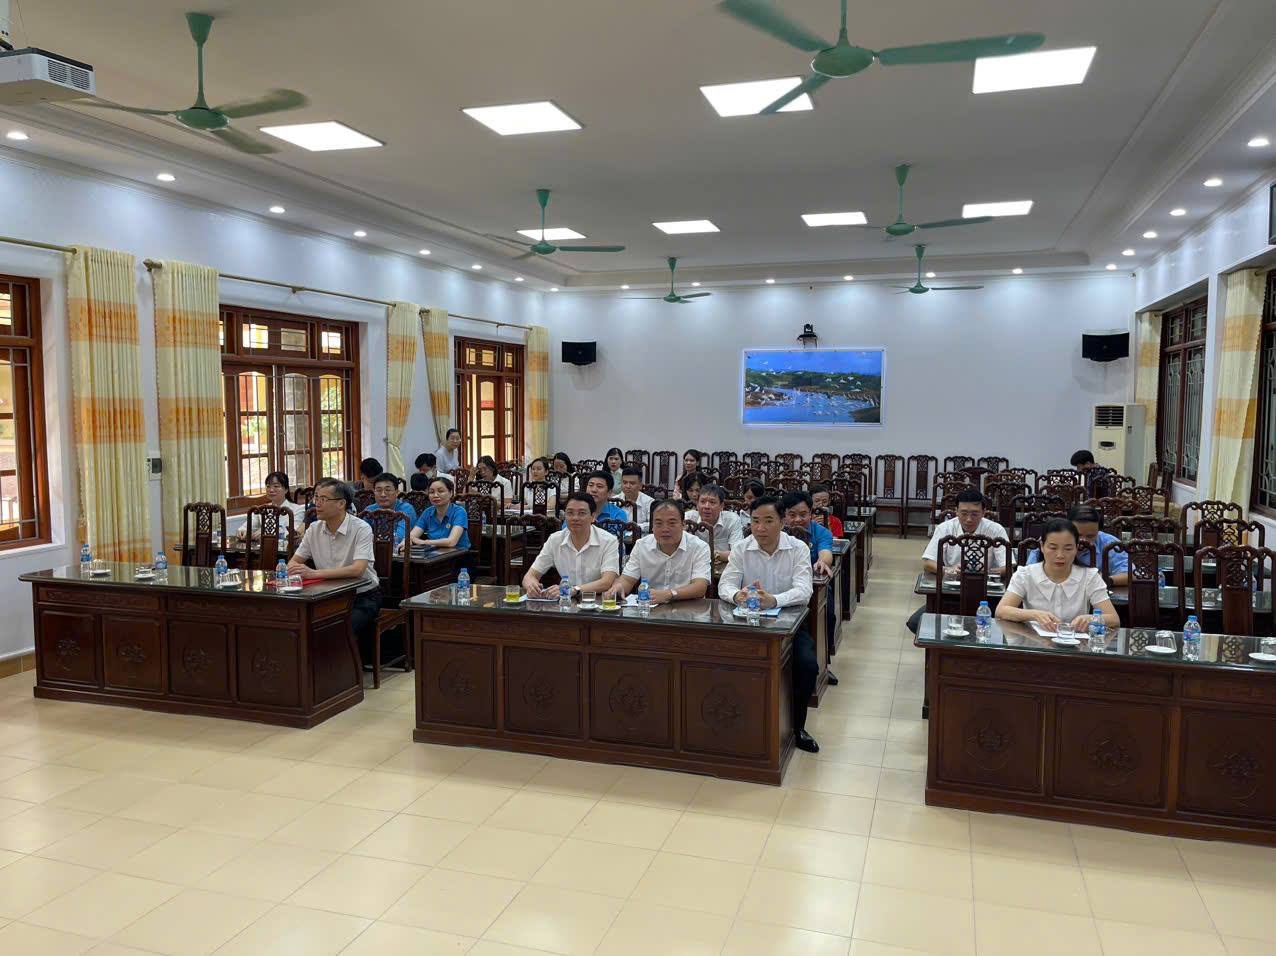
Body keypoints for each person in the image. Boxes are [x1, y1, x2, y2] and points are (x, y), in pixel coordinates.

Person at [718, 496, 819, 753]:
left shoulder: (798, 548)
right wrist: (737, 595)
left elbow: (804, 591)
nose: (760, 528)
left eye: (768, 521)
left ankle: (797, 727)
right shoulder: (741, 548)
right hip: (747, 624)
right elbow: (725, 585)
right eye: (755, 521)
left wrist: (773, 600)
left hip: (788, 625)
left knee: (807, 666)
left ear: (782, 522)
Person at [287, 477, 381, 662]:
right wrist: (289, 568)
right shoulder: (313, 529)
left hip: (362, 597)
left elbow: (357, 570)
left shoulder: (361, 528)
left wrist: (314, 573)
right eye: (316, 498)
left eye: (323, 499)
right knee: (301, 626)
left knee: (334, 629)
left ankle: (343, 674)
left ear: (341, 504)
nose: (317, 503)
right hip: (328, 596)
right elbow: (293, 563)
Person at [907, 487, 1009, 634]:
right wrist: (949, 570)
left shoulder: (996, 530)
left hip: (986, 597)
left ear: (984, 512)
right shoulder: (945, 528)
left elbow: (1008, 566)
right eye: (964, 513)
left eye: (975, 514)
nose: (969, 519)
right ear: (956, 511)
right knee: (916, 623)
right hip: (952, 593)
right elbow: (928, 563)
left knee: (1000, 630)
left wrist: (985, 572)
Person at [997, 518, 1120, 632]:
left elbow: (1114, 619)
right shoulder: (1025, 574)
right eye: (1053, 548)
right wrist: (1035, 615)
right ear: (1042, 547)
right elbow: (1001, 611)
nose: (1060, 555)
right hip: (1033, 642)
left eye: (1068, 549)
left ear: (1076, 548)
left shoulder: (1090, 576)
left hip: (1075, 643)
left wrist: (1091, 619)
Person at [607, 499, 711, 604]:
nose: (665, 529)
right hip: (651, 607)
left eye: (672, 523)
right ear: (652, 526)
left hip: (689, 607)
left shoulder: (699, 547)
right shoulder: (641, 545)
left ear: (683, 525)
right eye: (659, 523)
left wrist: (669, 594)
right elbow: (627, 580)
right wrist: (618, 587)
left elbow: (700, 586)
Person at [523, 492, 619, 597]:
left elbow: (606, 582)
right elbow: (529, 576)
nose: (575, 518)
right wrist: (532, 586)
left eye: (581, 513)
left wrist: (573, 590)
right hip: (565, 602)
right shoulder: (555, 540)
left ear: (593, 516)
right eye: (570, 513)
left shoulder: (609, 541)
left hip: (597, 600)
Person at [1024, 504, 1130, 586]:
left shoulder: (1109, 543)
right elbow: (1029, 574)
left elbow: (1131, 575)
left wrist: (1106, 580)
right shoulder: (1051, 540)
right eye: (1078, 535)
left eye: (1090, 536)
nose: (1084, 541)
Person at [237, 470, 305, 541]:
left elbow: (293, 533)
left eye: (276, 486)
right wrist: (242, 531)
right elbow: (246, 526)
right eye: (268, 486)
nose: (271, 490)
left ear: (286, 490)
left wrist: (267, 532)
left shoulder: (297, 510)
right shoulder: (262, 509)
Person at [781, 490, 834, 577]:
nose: (798, 519)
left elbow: (825, 552)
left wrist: (822, 562)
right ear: (784, 515)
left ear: (810, 513)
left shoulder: (822, 532)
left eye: (803, 515)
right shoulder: (778, 531)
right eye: (792, 515)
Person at [688, 483, 744, 563]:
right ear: (697, 504)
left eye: (712, 502)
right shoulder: (688, 519)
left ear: (721, 506)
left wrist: (712, 555)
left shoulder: (732, 520)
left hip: (725, 567)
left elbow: (738, 554)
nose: (706, 506)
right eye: (702, 502)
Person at [409, 476, 470, 549]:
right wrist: (405, 542)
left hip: (458, 553)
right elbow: (412, 536)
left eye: (440, 491)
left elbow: (451, 542)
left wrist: (424, 542)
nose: (435, 495)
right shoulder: (428, 512)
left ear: (450, 493)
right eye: (431, 492)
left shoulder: (459, 512)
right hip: (433, 553)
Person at [364, 472, 416, 547]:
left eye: (388, 490)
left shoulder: (406, 509)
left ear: (397, 492)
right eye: (378, 490)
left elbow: (399, 538)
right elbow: (361, 534)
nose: (383, 494)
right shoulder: (370, 510)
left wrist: (373, 539)